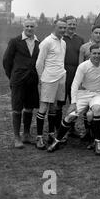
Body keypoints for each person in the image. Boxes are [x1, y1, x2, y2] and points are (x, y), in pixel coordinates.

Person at [47, 44, 100, 155]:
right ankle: (56, 141)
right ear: (90, 54)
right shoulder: (83, 66)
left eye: (99, 53)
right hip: (83, 94)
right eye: (94, 53)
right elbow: (75, 84)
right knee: (70, 116)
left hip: (98, 94)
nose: (97, 55)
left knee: (96, 110)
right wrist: (73, 103)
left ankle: (97, 142)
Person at [3, 18, 40, 148]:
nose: (29, 28)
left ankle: (26, 134)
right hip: (18, 80)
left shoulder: (38, 42)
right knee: (17, 108)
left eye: (32, 26)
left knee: (29, 107)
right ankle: (17, 137)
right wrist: (13, 76)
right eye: (27, 26)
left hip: (32, 80)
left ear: (35, 27)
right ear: (23, 27)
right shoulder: (15, 41)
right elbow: (7, 60)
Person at [35, 19, 67, 150]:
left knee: (54, 108)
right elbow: (39, 63)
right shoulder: (46, 42)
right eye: (60, 28)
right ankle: (39, 137)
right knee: (43, 108)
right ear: (55, 27)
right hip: (48, 79)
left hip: (60, 78)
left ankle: (51, 134)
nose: (63, 30)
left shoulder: (63, 42)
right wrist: (42, 80)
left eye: (64, 28)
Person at [58, 16, 85, 138]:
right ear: (65, 25)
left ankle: (72, 128)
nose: (72, 26)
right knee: (60, 102)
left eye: (74, 24)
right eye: (70, 24)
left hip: (76, 73)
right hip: (63, 73)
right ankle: (58, 128)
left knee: (75, 101)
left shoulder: (80, 39)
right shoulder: (60, 39)